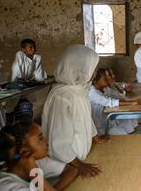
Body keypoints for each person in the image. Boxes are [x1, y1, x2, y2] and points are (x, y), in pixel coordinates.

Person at [41, 45, 107, 178]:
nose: (95, 72)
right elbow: (58, 141)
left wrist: (95, 136)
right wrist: (78, 165)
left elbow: (86, 118)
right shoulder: (62, 97)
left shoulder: (80, 90)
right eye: (93, 68)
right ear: (79, 69)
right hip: (68, 165)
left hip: (81, 158)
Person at [0, 122, 78, 191]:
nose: (46, 140)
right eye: (40, 138)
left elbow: (71, 170)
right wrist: (35, 173)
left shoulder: (28, 162)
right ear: (23, 152)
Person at [89, 68, 141, 136]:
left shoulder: (105, 88)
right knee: (123, 135)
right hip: (100, 126)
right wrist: (131, 103)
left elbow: (118, 96)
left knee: (128, 124)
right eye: (105, 78)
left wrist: (129, 101)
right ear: (96, 81)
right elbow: (110, 102)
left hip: (108, 120)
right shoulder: (93, 93)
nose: (108, 79)